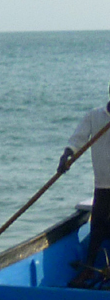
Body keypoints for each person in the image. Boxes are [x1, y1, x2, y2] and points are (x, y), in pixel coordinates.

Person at [60, 86, 110, 284]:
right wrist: (67, 155)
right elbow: (78, 139)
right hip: (103, 183)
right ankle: (89, 270)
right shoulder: (95, 116)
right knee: (97, 225)